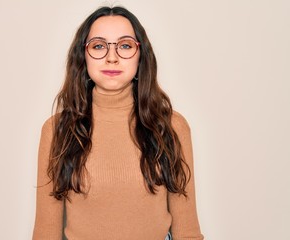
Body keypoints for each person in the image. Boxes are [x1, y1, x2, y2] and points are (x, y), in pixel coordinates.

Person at [32, 6, 204, 240]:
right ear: (83, 56)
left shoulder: (173, 127)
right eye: (99, 46)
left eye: (124, 45)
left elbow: (188, 233)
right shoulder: (56, 131)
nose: (112, 57)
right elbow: (45, 234)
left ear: (140, 55)